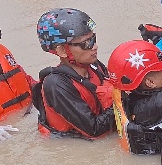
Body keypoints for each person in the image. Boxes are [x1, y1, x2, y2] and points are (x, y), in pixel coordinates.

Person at [32, 8, 114, 140]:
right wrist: (122, 99)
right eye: (86, 43)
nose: (95, 46)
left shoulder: (94, 65)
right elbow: (94, 130)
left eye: (93, 39)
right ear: (62, 51)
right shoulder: (56, 85)